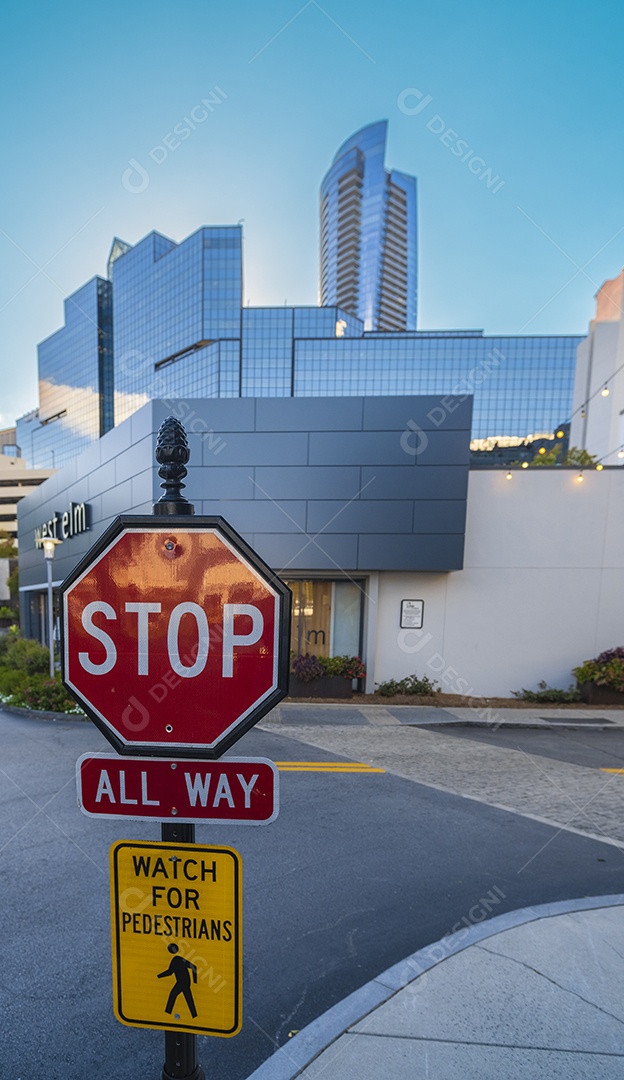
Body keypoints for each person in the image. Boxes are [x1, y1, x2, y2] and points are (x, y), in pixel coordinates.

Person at [157, 943, 198, 1018]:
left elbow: (170, 972)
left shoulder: (176, 960)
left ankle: (167, 1013)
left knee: (173, 995)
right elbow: (194, 967)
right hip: (185, 982)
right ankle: (194, 1015)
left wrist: (158, 976)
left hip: (182, 982)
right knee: (188, 999)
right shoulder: (178, 959)